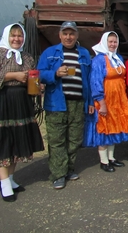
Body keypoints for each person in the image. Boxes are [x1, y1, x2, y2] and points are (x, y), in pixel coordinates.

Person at [0, 23, 44, 202]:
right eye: (13, 36)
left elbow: (31, 79)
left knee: (16, 139)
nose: (17, 39)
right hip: (0, 100)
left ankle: (11, 178)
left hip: (20, 102)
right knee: (2, 140)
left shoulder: (26, 57)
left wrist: (37, 86)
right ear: (7, 36)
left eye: (20, 36)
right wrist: (13, 76)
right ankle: (3, 182)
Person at [37, 21, 94, 189]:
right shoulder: (50, 53)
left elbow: (89, 81)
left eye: (72, 34)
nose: (68, 37)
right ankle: (58, 174)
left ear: (76, 36)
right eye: (65, 34)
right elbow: (39, 74)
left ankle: (69, 168)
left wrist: (90, 102)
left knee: (75, 139)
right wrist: (54, 73)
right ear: (60, 35)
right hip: (57, 103)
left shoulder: (83, 54)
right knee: (57, 139)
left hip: (78, 103)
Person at [86, 32, 128, 172]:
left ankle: (111, 157)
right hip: (106, 99)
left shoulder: (118, 58)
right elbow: (95, 82)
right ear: (105, 42)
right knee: (105, 128)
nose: (113, 44)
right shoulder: (99, 60)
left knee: (115, 126)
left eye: (115, 41)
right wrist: (102, 103)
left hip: (118, 99)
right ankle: (104, 161)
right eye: (110, 42)